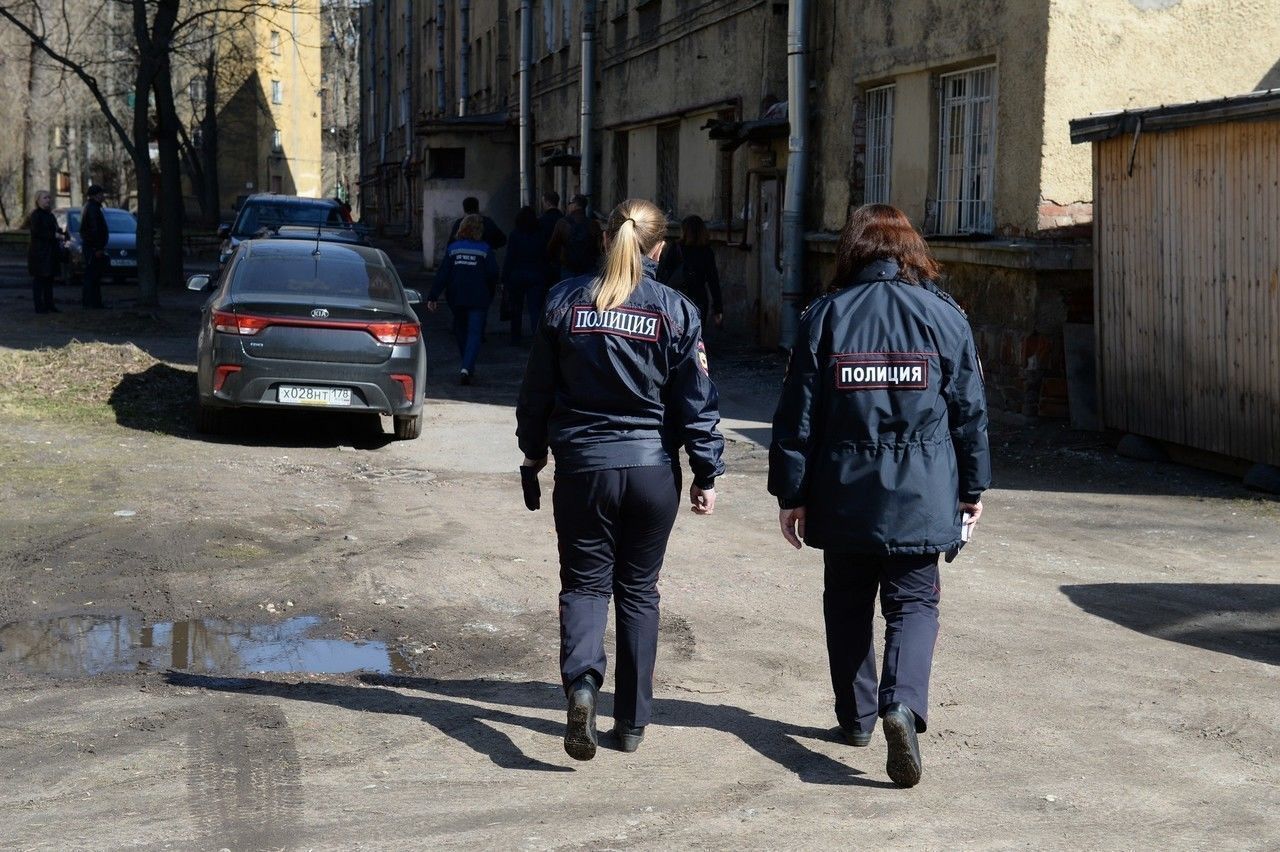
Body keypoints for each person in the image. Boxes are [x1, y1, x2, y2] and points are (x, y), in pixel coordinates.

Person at [767, 203, 990, 788]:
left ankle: (858, 718)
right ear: (910, 251)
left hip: (843, 493)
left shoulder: (826, 316)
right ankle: (902, 704)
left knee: (846, 603)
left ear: (853, 252)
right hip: (921, 491)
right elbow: (970, 413)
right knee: (914, 603)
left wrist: (792, 492)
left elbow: (798, 416)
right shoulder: (945, 317)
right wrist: (973, 487)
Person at [516, 197, 725, 762]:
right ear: (660, 248)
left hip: (584, 467)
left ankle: (583, 686)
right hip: (652, 470)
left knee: (585, 585)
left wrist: (533, 453)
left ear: (608, 238)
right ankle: (630, 724)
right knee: (638, 592)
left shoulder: (564, 300)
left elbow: (536, 391)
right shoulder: (677, 311)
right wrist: (706, 470)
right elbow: (695, 403)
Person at [427, 214, 500, 385]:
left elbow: (443, 273)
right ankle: (467, 366)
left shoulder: (454, 248)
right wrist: (491, 290)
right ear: (479, 230)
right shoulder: (484, 249)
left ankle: (466, 364)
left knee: (460, 331)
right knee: (474, 333)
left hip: (457, 296)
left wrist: (433, 295)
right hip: (479, 297)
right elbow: (493, 273)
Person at [656, 214, 723, 329]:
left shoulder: (676, 248)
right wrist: (718, 309)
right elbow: (713, 281)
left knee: (677, 333)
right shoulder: (706, 252)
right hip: (699, 299)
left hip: (677, 298)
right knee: (696, 335)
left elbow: (664, 273)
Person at [502, 205, 549, 344]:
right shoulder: (541, 234)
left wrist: (504, 278)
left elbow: (510, 257)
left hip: (517, 275)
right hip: (536, 274)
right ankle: (537, 338)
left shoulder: (515, 234)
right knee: (535, 308)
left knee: (516, 308)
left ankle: (515, 337)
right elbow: (545, 256)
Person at [546, 194, 602, 278]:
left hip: (568, 269)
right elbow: (599, 248)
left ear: (574, 205)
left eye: (569, 203)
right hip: (588, 269)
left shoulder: (562, 223)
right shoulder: (593, 224)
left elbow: (552, 247)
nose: (568, 206)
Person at [27, 190, 63, 314]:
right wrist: (54, 235)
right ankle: (39, 306)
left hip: (50, 252)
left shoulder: (50, 215)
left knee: (49, 280)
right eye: (45, 198)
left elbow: (55, 228)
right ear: (38, 200)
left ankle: (49, 304)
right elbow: (37, 232)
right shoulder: (36, 215)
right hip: (39, 253)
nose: (48, 200)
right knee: (39, 280)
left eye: (49, 197)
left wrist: (61, 233)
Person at [79, 184, 109, 309]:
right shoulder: (93, 209)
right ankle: (91, 303)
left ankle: (93, 302)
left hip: (92, 246)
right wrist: (97, 247)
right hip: (93, 247)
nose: (103, 196)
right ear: (96, 195)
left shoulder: (91, 208)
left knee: (93, 276)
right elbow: (94, 229)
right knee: (92, 276)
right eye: (101, 194)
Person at [537, 189, 565, 285]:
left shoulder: (541, 221)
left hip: (545, 262)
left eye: (543, 203)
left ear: (547, 203)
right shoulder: (564, 219)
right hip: (561, 262)